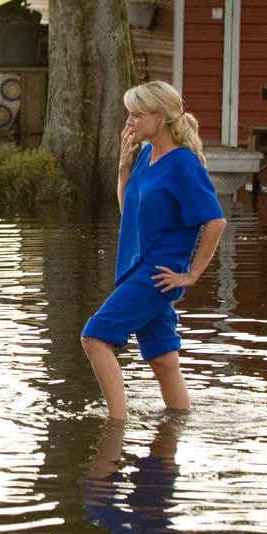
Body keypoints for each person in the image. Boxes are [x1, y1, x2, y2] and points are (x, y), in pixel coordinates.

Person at [81, 81, 227, 420]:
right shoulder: (147, 154)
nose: (129, 122)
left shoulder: (183, 165)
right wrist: (123, 167)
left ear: (158, 117)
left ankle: (116, 424)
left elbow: (215, 222)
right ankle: (178, 425)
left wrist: (192, 274)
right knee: (163, 361)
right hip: (136, 268)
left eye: (135, 115)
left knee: (94, 337)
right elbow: (128, 210)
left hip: (156, 275)